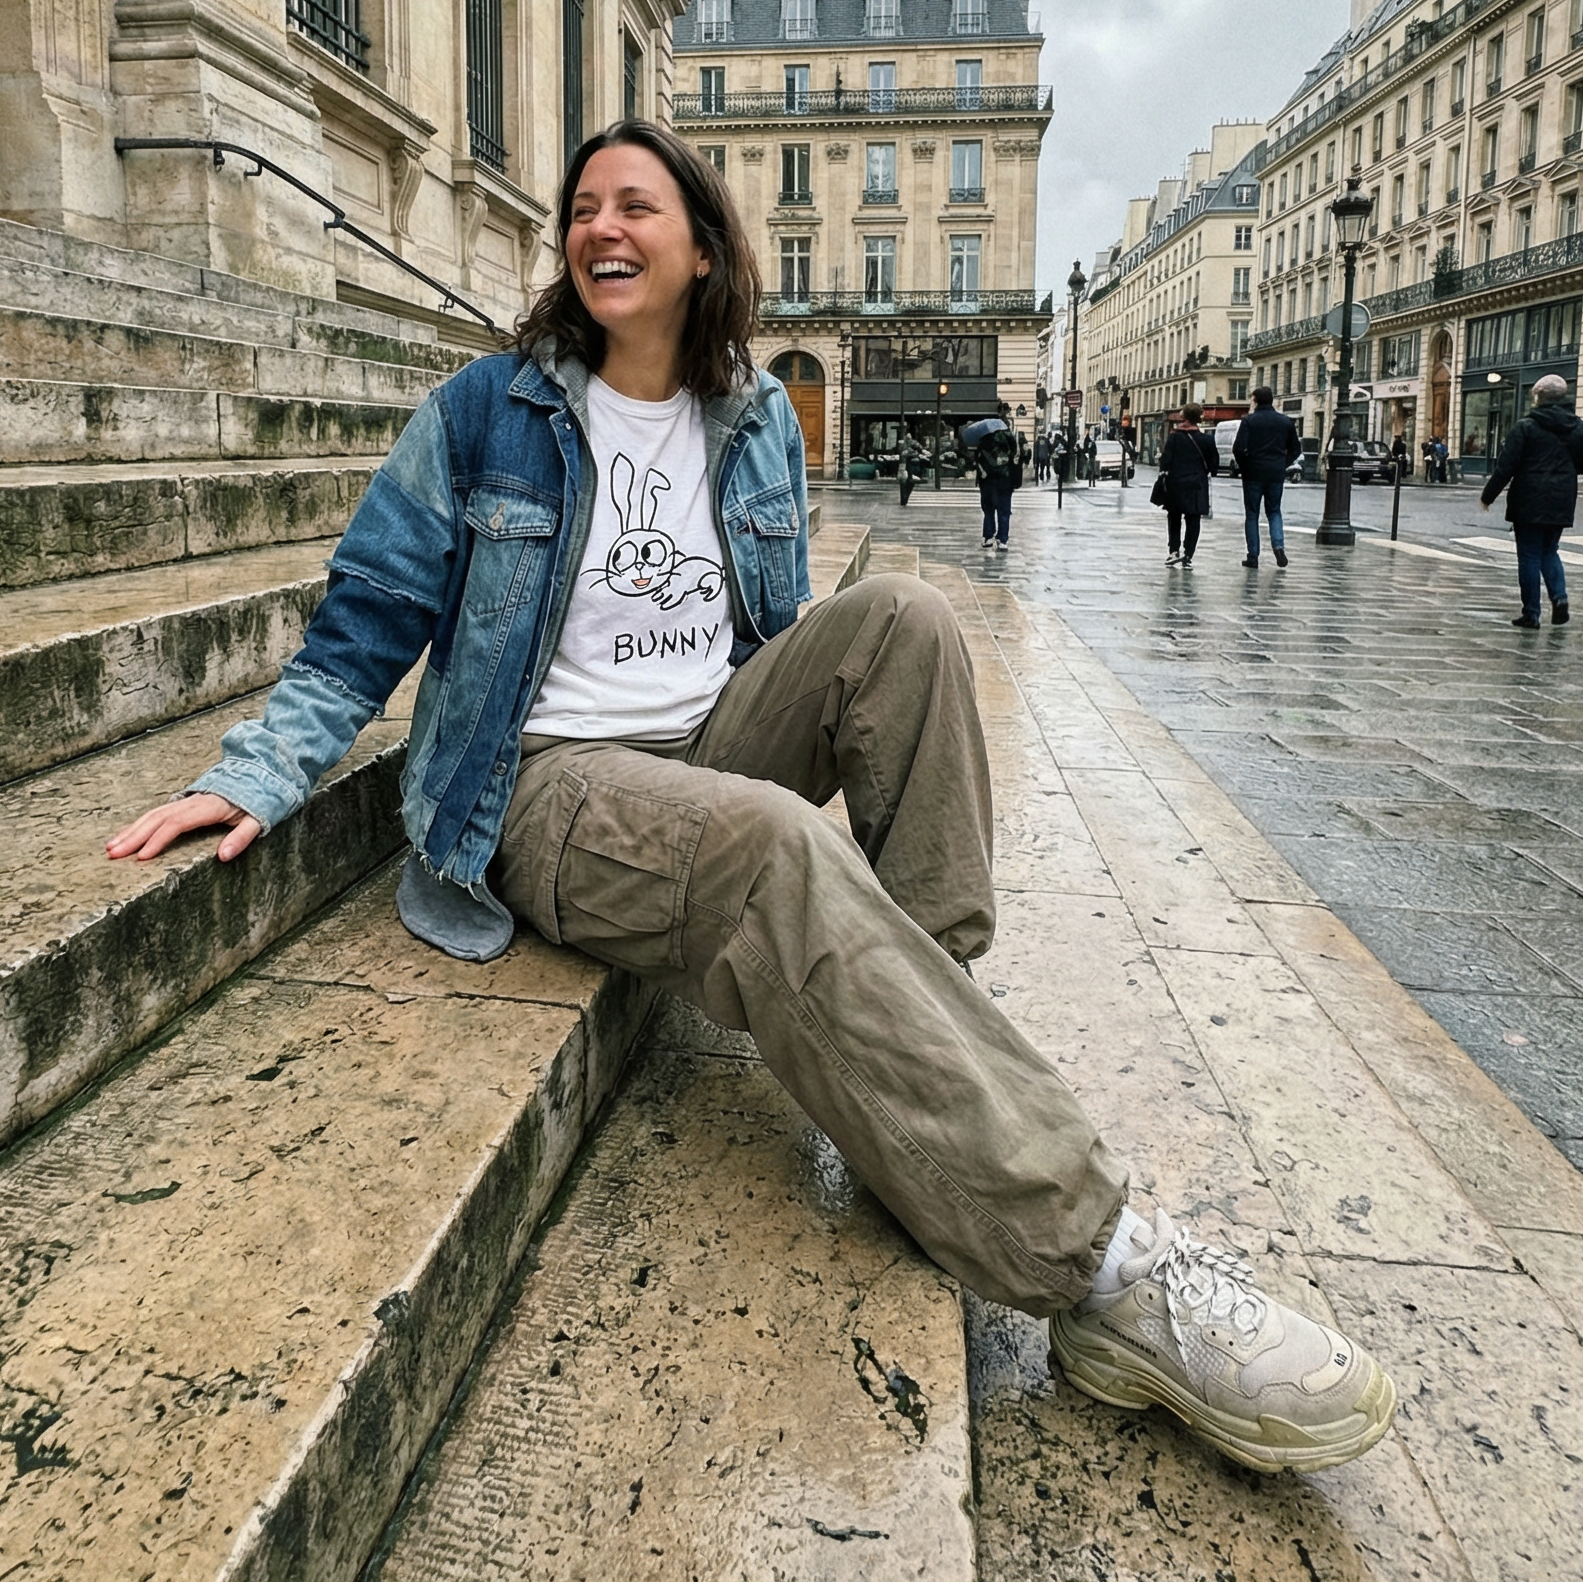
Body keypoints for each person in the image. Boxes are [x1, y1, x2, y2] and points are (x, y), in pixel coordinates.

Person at [106, 119, 1396, 1476]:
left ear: (703, 244)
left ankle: (917, 1050)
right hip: (543, 785)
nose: (600, 227)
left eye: (634, 206)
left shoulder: (754, 412)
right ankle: (1101, 1265)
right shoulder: (483, 412)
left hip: (709, 740)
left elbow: (783, 635)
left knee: (904, 617)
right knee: (775, 848)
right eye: (581, 207)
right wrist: (248, 774)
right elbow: (364, 621)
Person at [1480, 373, 1583, 628]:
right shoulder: (1578, 427)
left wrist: (1488, 495)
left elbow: (1507, 466)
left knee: (1528, 556)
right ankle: (1560, 599)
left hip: (1529, 498)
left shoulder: (1526, 426)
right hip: (1561, 498)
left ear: (1538, 398)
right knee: (1550, 551)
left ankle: (1531, 613)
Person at [1232, 385, 1299, 568]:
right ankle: (1278, 546)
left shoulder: (1249, 421)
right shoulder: (1285, 422)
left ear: (1255, 400)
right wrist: (1282, 463)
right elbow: (1295, 449)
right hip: (1276, 472)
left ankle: (1253, 555)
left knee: (1252, 513)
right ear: (1272, 400)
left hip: (1253, 471)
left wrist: (1245, 465)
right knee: (1274, 511)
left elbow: (1238, 448)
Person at [1158, 404, 1220, 568]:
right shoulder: (1206, 440)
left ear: (1183, 416)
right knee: (1193, 520)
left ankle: (1173, 552)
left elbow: (1165, 461)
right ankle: (1188, 554)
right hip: (1197, 484)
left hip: (1176, 483)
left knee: (1174, 518)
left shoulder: (1174, 437)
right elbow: (1214, 464)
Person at [975, 412, 1025, 552]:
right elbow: (1017, 458)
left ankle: (988, 538)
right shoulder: (1010, 441)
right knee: (1004, 511)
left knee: (989, 510)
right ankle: (1002, 540)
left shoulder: (984, 441)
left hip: (989, 482)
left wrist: (983, 473)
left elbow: (978, 460)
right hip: (1005, 481)